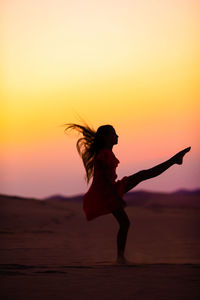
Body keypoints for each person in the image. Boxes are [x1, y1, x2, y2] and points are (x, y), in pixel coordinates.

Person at [64, 123, 191, 264]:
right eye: (114, 133)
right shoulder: (104, 154)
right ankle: (120, 258)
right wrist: (116, 197)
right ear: (107, 138)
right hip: (106, 194)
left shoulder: (106, 152)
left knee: (142, 175)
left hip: (111, 189)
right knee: (125, 222)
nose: (117, 136)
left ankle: (174, 160)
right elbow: (105, 180)